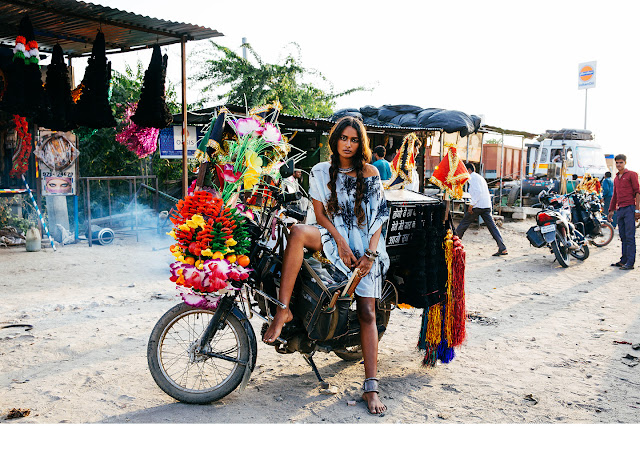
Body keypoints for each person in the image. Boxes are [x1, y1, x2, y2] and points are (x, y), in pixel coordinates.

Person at [262, 116, 390, 414]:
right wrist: (341, 244)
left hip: (366, 245)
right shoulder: (320, 170)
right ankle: (283, 310)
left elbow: (379, 218)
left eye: (354, 139)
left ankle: (371, 387)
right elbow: (319, 215)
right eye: (343, 138)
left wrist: (369, 255)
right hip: (334, 236)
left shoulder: (370, 173)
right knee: (295, 232)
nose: (348, 144)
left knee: (368, 312)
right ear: (335, 140)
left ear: (361, 144)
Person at [455, 162, 507, 256]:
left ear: (469, 170)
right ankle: (502, 248)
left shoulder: (473, 178)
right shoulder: (478, 177)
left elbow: (478, 192)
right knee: (492, 227)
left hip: (478, 205)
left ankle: (454, 243)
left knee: (464, 223)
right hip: (486, 205)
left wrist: (471, 205)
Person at [607, 154, 640, 270]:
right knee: (623, 236)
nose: (618, 165)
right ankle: (624, 260)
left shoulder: (632, 174)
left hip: (630, 208)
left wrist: (637, 209)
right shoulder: (616, 178)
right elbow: (614, 195)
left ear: (625, 163)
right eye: (617, 163)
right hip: (620, 209)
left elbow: (637, 192)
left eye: (621, 162)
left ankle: (630, 263)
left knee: (630, 236)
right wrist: (611, 210)